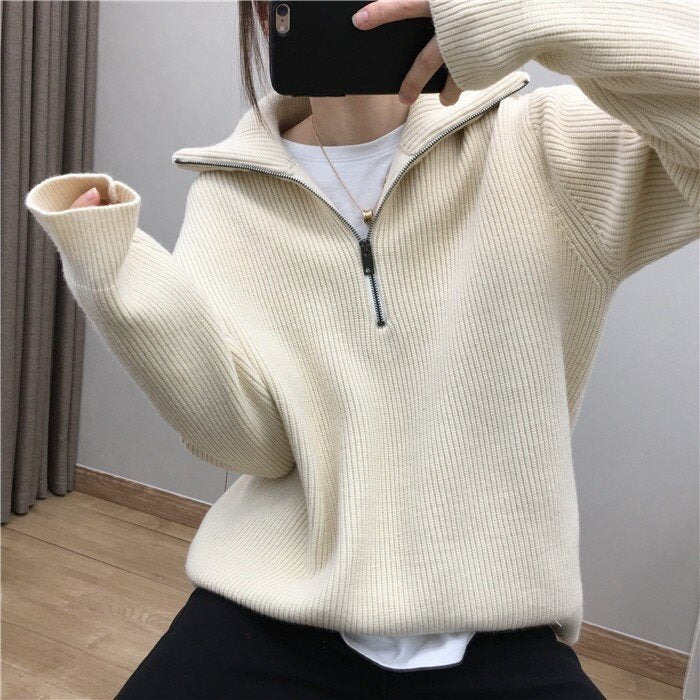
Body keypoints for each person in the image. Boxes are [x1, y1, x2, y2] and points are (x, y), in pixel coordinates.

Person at [25, 0, 698, 697]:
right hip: (277, 604)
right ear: (265, 14)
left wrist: (523, 14)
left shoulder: (549, 145)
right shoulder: (230, 196)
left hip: (496, 622)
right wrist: (120, 281)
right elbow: (253, 445)